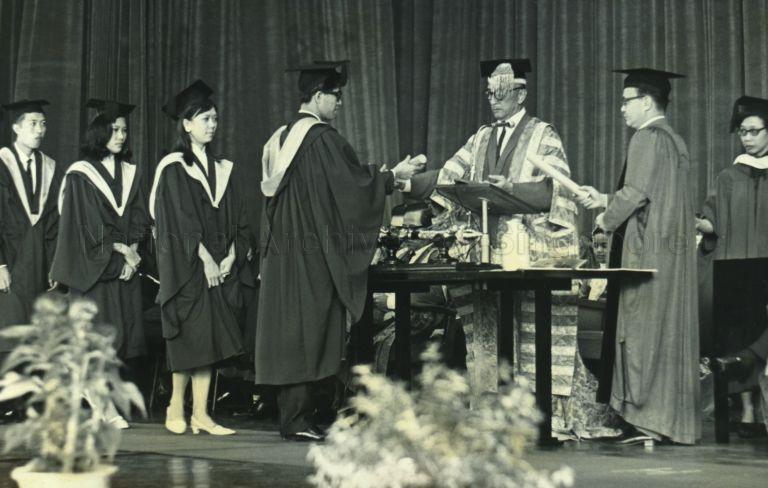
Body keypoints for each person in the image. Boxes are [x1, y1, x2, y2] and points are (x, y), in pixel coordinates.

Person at [401, 59, 602, 438]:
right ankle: (492, 409)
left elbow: (555, 191)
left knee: (532, 334)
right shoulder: (480, 138)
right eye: (489, 93)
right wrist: (405, 184)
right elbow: (447, 176)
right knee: (488, 333)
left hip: (527, 254)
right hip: (486, 256)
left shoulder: (543, 135)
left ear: (521, 94)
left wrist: (512, 190)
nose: (493, 100)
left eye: (502, 93)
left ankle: (539, 411)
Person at [255, 61, 425, 442]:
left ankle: (297, 416)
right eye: (336, 96)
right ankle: (298, 420)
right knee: (308, 328)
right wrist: (391, 177)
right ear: (318, 96)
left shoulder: (280, 139)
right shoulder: (321, 140)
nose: (340, 103)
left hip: (283, 253)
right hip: (309, 255)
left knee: (292, 329)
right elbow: (351, 188)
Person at [578, 68, 700, 445]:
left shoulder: (646, 138)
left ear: (646, 102)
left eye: (627, 101)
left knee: (640, 331)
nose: (622, 108)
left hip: (645, 255)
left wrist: (604, 218)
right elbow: (651, 195)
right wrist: (603, 198)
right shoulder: (674, 141)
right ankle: (668, 422)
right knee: (666, 333)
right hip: (670, 258)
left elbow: (635, 195)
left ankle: (645, 421)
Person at [149, 80, 252, 436]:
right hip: (189, 268)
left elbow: (239, 218)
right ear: (186, 124)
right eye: (206, 118)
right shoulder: (174, 167)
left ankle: (202, 414)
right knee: (189, 337)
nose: (212, 125)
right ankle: (175, 406)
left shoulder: (222, 169)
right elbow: (178, 220)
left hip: (219, 267)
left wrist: (233, 255)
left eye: (215, 119)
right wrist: (206, 259)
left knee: (210, 339)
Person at [701, 95, 768, 436]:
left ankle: (758, 405)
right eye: (743, 131)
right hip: (737, 267)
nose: (748, 138)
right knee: (737, 328)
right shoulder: (728, 176)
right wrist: (696, 222)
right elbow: (713, 222)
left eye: (755, 131)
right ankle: (747, 412)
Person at [0, 99, 61, 344]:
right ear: (16, 128)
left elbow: (54, 221)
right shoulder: (2, 164)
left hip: (39, 263)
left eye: (43, 124)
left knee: (36, 338)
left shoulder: (49, 167)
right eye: (33, 124)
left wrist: (54, 263)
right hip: (10, 260)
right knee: (9, 334)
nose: (40, 130)